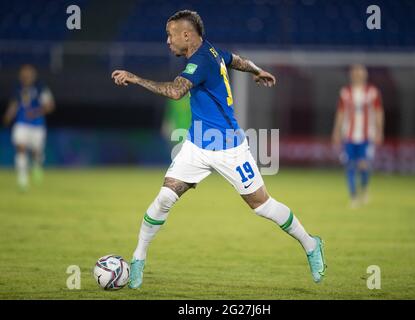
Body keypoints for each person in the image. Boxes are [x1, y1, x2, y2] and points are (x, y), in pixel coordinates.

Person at [111, 10, 326, 289]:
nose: (167, 41)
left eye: (170, 35)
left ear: (187, 35)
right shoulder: (212, 51)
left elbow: (176, 92)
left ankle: (311, 244)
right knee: (165, 197)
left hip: (229, 147)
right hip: (197, 145)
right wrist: (257, 70)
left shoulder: (200, 61)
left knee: (262, 206)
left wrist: (135, 78)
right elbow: (235, 59)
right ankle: (138, 258)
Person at [332, 64, 384, 208]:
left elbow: (378, 112)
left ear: (365, 75)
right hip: (349, 135)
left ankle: (365, 188)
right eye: (355, 72)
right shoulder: (345, 92)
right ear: (351, 75)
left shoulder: (372, 92)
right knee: (350, 166)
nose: (358, 75)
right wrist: (336, 131)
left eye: (360, 72)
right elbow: (341, 113)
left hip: (367, 135)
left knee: (364, 165)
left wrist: (380, 130)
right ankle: (354, 197)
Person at [3, 64, 55, 191]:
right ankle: (22, 180)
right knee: (20, 148)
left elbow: (50, 106)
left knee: (36, 153)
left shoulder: (40, 88)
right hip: (22, 124)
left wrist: (35, 112)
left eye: (28, 74)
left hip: (37, 126)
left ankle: (37, 166)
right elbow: (14, 105)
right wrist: (8, 116)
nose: (25, 76)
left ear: (33, 75)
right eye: (23, 74)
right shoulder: (18, 88)